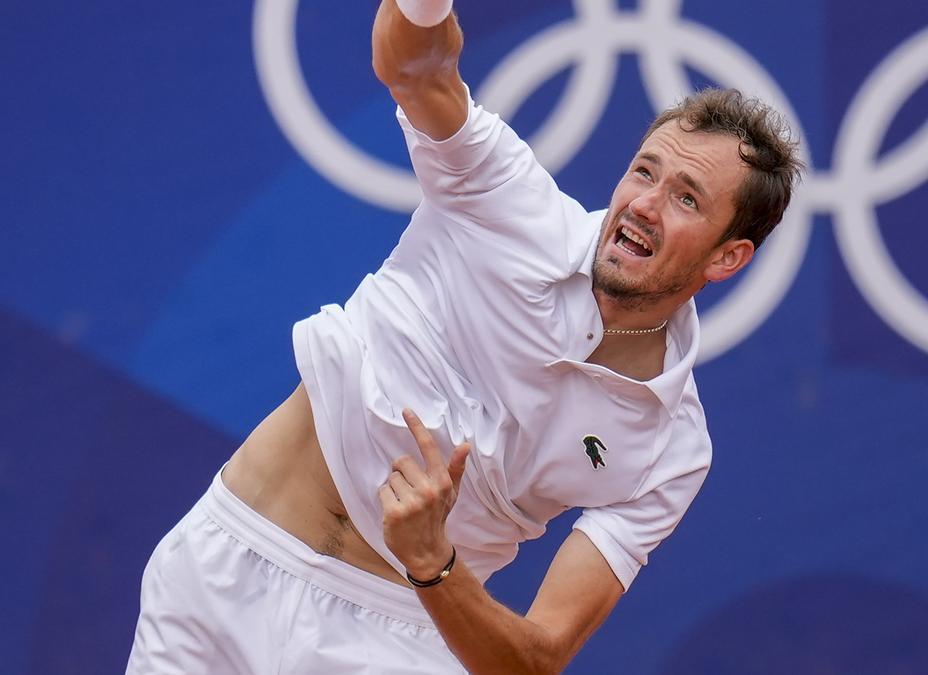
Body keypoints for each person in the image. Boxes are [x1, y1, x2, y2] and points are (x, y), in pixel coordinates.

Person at [127, 0, 801, 672]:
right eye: (645, 171)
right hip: (224, 572)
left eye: (687, 198)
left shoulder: (672, 449)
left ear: (727, 257)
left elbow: (536, 657)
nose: (645, 203)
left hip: (397, 641)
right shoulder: (509, 202)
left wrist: (433, 562)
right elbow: (417, 71)